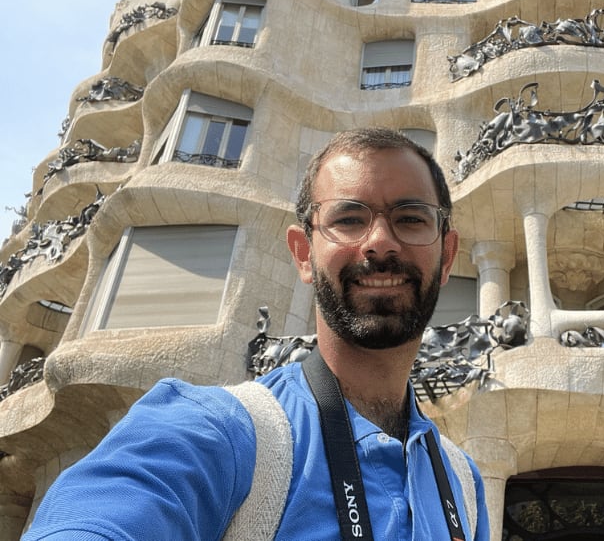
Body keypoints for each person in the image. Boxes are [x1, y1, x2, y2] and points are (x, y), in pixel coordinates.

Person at [23, 128, 490, 540]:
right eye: (349, 219)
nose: (380, 241)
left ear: (447, 257)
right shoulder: (214, 431)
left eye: (411, 218)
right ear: (304, 253)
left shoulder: (463, 482)